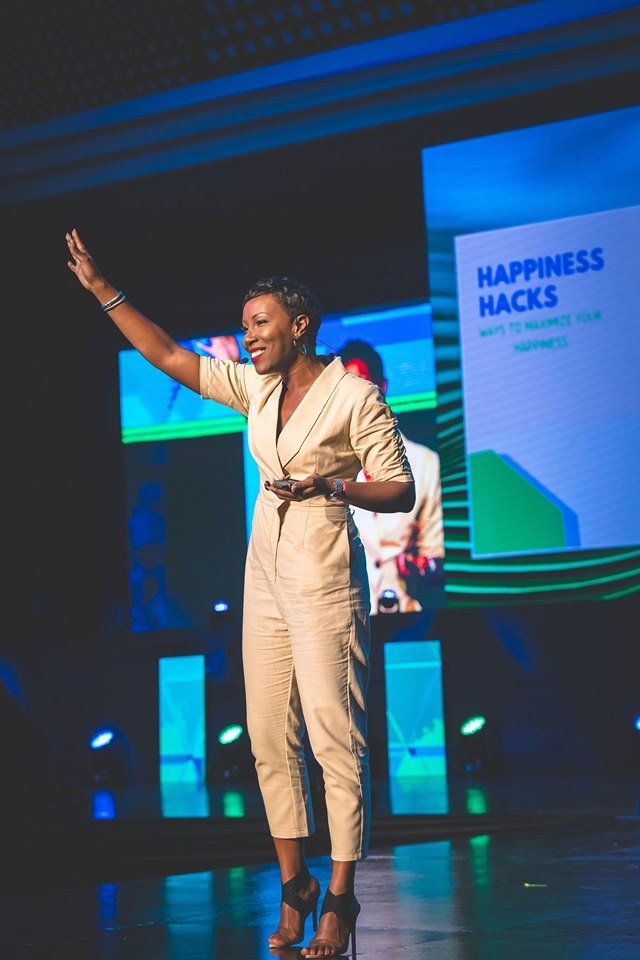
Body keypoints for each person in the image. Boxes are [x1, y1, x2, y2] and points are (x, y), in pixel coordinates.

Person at [65, 229, 415, 959]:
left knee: (334, 737)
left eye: (260, 323)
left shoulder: (353, 396)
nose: (248, 335)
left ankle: (341, 897)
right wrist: (103, 290)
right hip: (265, 580)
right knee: (267, 738)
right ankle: (295, 885)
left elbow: (399, 487)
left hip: (325, 577)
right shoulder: (256, 387)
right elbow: (168, 354)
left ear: (300, 324)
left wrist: (333, 485)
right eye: (245, 324)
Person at [338, 339, 445, 614]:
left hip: (407, 616)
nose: (354, 400)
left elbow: (434, 554)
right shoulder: (328, 464)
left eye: (362, 385)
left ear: (381, 387)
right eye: (344, 389)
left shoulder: (425, 462)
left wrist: (420, 565)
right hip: (348, 617)